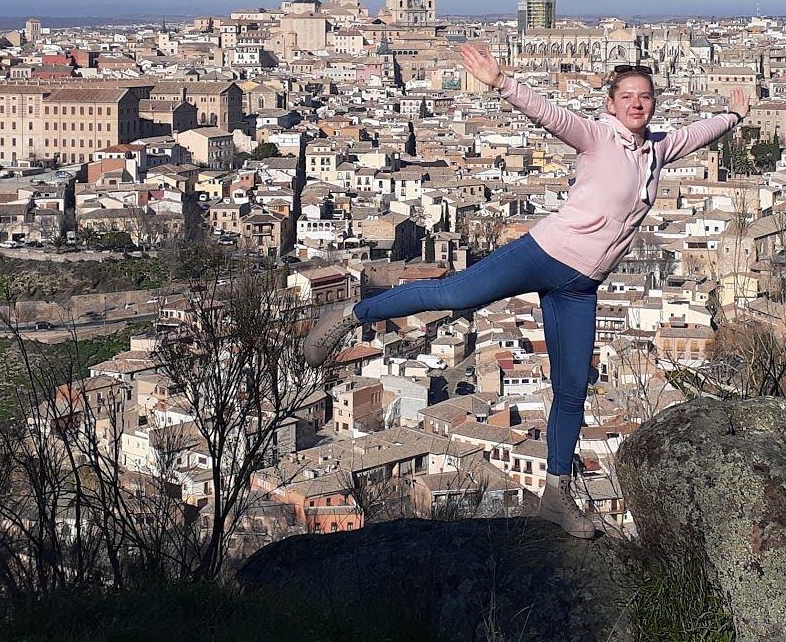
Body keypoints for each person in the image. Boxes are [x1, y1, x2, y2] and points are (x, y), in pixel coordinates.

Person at [304, 42, 751, 537]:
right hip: (543, 254)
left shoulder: (658, 150)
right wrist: (500, 82)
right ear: (611, 103)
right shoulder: (599, 137)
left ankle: (557, 496)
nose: (637, 103)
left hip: (581, 287)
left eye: (644, 96)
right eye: (627, 95)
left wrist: (733, 113)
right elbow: (551, 115)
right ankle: (353, 314)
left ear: (653, 102)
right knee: (455, 296)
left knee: (571, 389)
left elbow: (698, 132)